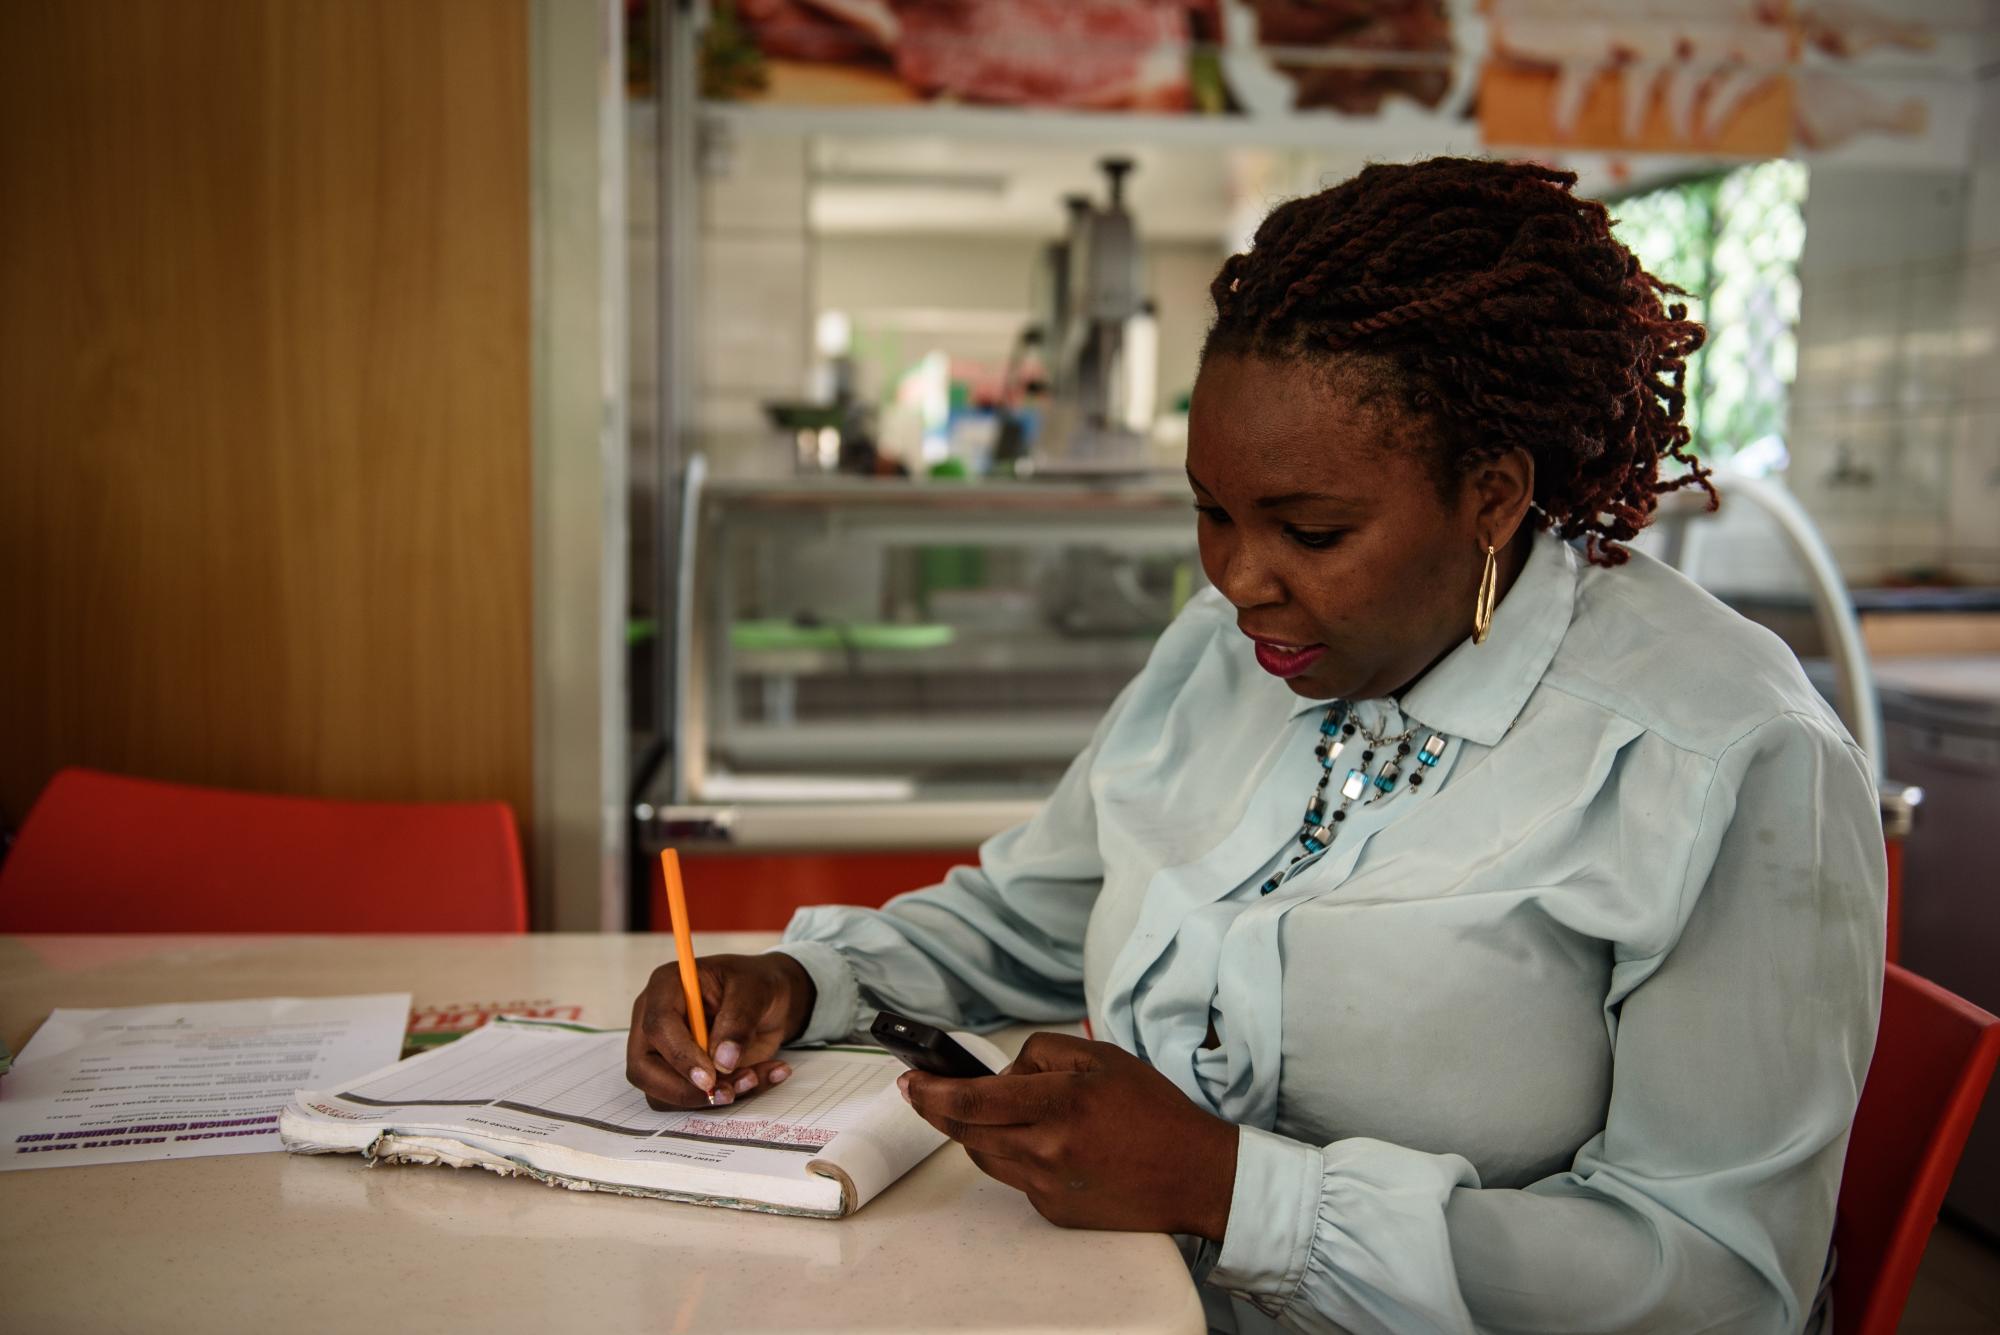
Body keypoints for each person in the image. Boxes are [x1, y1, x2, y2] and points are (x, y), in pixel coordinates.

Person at [627, 156, 1884, 1335]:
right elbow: (1032, 917)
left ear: (1492, 494)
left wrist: (1227, 1189)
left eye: (1311, 531)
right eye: (1209, 513)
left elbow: (1718, 1286)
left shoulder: (1722, 758)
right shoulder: (1232, 650)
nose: (1237, 579)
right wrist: (803, 985)